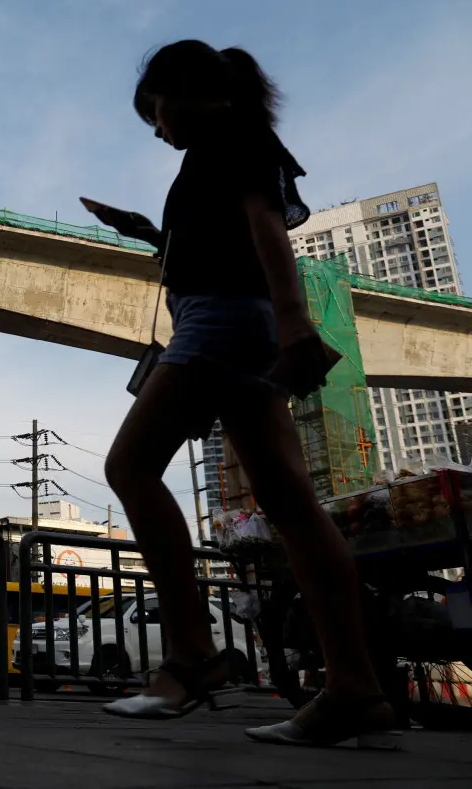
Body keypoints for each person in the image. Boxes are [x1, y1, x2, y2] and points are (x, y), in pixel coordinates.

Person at [81, 40, 398, 748]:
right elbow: (220, 239)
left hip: (224, 319)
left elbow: (265, 232)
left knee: (129, 469)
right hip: (227, 318)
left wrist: (295, 324)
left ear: (193, 89)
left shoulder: (234, 138)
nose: (158, 129)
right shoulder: (221, 149)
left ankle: (193, 657)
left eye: (155, 112)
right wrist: (146, 233)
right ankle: (356, 688)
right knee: (289, 502)